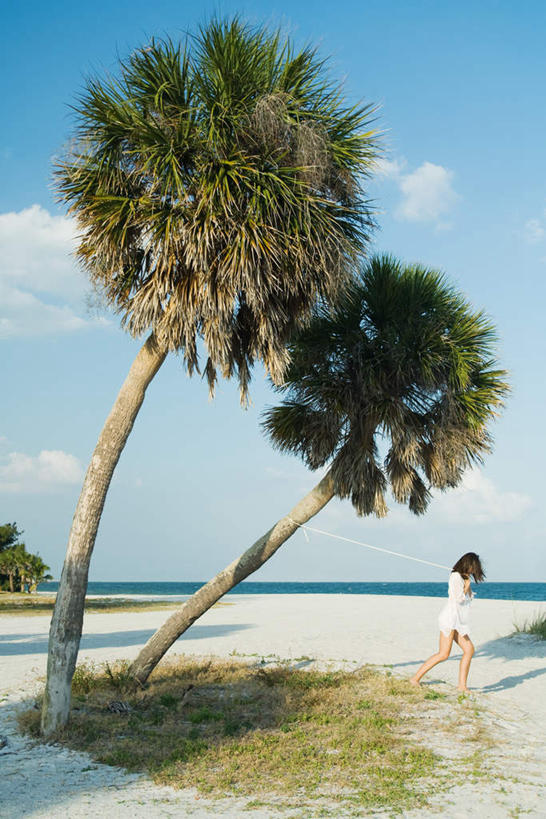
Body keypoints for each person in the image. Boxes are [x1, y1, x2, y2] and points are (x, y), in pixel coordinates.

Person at [410, 552, 485, 693]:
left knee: (469, 650)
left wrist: (467, 584)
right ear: (468, 564)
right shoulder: (455, 577)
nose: (474, 571)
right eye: (473, 568)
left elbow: (467, 599)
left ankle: (462, 686)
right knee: (444, 654)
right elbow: (459, 598)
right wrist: (467, 585)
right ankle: (415, 679)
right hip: (450, 620)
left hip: (458, 621)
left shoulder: (462, 578)